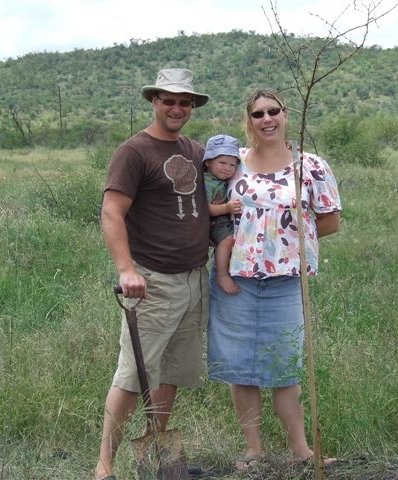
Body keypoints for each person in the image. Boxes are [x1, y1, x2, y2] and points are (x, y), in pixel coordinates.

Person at [206, 88, 342, 471]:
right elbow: (210, 209)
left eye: (273, 111)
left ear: (285, 114)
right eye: (258, 114)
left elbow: (330, 220)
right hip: (236, 281)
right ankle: (254, 450)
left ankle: (302, 451)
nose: (266, 119)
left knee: (286, 368)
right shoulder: (234, 164)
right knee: (241, 368)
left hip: (286, 282)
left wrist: (282, 241)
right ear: (248, 121)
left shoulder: (310, 166)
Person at [95, 68, 210, 480]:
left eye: (185, 102)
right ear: (154, 101)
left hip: (195, 279)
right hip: (152, 282)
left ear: (192, 106)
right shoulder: (134, 152)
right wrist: (126, 270)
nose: (177, 108)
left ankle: (156, 455)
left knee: (171, 374)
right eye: (169, 101)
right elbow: (112, 212)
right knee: (132, 375)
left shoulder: (195, 151)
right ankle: (104, 467)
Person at [203, 134, 242, 295]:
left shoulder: (222, 180)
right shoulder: (207, 182)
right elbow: (204, 208)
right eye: (222, 163)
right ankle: (222, 274)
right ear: (208, 162)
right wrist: (226, 208)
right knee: (226, 240)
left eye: (232, 165)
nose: (228, 168)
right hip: (213, 219)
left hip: (223, 217)